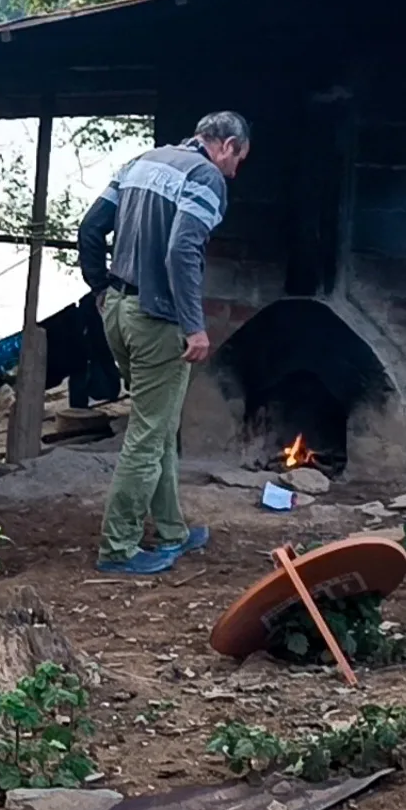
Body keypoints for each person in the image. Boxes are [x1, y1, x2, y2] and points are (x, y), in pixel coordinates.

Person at [75, 111, 251, 574]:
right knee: (148, 435)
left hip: (118, 308)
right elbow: (182, 249)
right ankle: (119, 548)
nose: (235, 171)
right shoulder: (206, 176)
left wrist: (100, 288)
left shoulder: (141, 162)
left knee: (160, 423)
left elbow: (90, 229)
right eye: (239, 160)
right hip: (158, 320)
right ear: (228, 145)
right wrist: (194, 326)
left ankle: (172, 529)